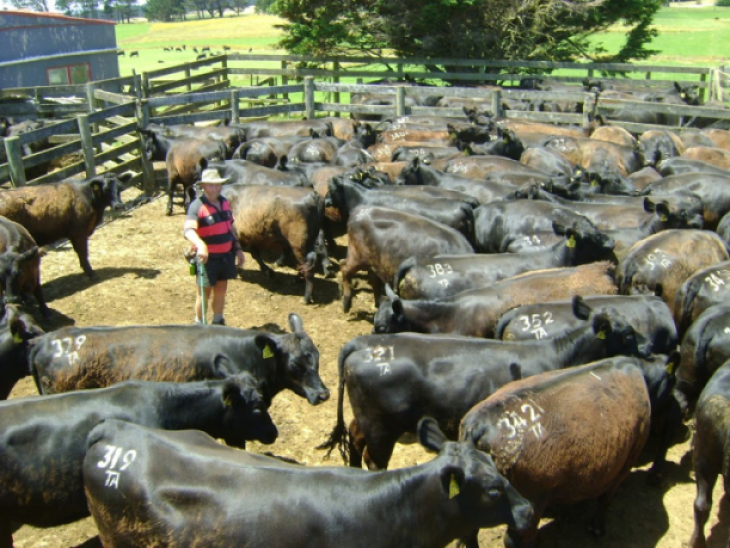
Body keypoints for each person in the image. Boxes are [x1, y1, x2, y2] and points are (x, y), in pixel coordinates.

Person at [183, 168, 245, 325]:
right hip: (207, 259)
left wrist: (237, 248)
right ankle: (199, 323)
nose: (215, 189)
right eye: (211, 185)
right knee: (204, 293)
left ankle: (218, 320)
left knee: (221, 289)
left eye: (217, 185)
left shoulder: (225, 202)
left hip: (225, 256)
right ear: (203, 187)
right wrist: (201, 245)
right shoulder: (197, 206)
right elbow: (188, 231)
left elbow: (230, 227)